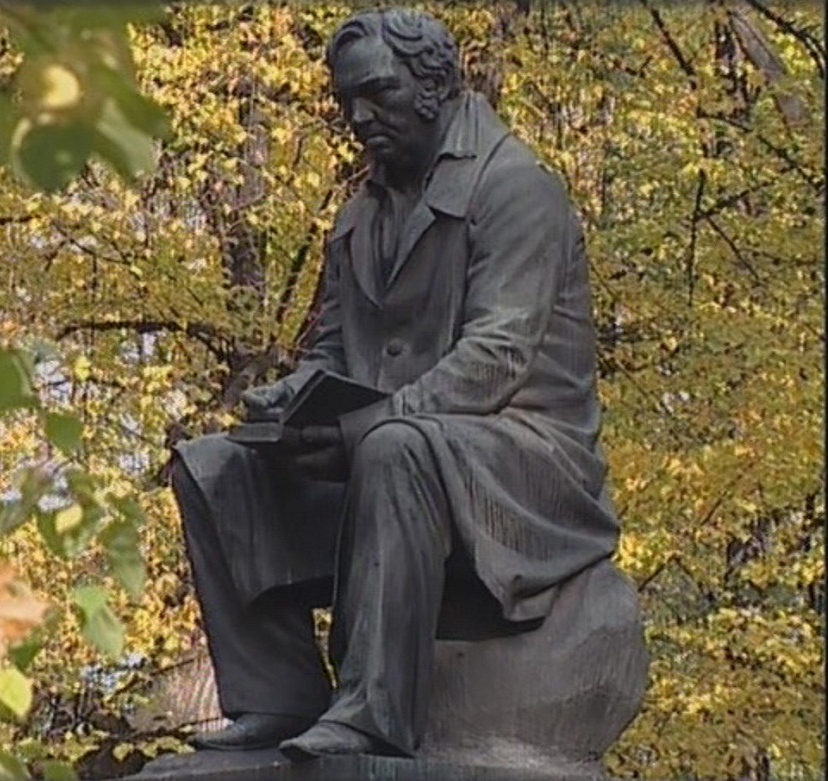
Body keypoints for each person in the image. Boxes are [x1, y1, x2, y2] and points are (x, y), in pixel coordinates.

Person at [169, 7, 620, 761]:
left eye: (377, 93)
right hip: (402, 449)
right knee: (215, 466)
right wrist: (290, 403)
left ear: (434, 84)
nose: (359, 117)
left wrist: (363, 429)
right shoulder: (359, 216)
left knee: (394, 447)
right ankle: (277, 696)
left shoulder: (516, 190)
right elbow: (332, 350)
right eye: (347, 100)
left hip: (524, 464)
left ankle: (374, 713)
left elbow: (496, 358)